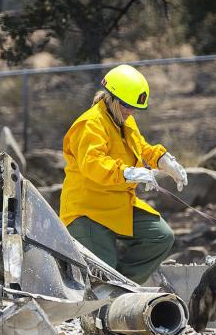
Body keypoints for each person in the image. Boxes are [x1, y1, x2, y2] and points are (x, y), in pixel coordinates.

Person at [59, 64, 188, 284]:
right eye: (127, 106)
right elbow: (93, 164)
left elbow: (140, 146)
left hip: (119, 204)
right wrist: (128, 173)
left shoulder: (123, 118)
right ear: (111, 98)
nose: (131, 111)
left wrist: (163, 160)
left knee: (161, 237)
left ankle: (123, 287)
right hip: (88, 211)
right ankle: (105, 296)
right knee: (104, 268)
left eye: (134, 108)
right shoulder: (90, 124)